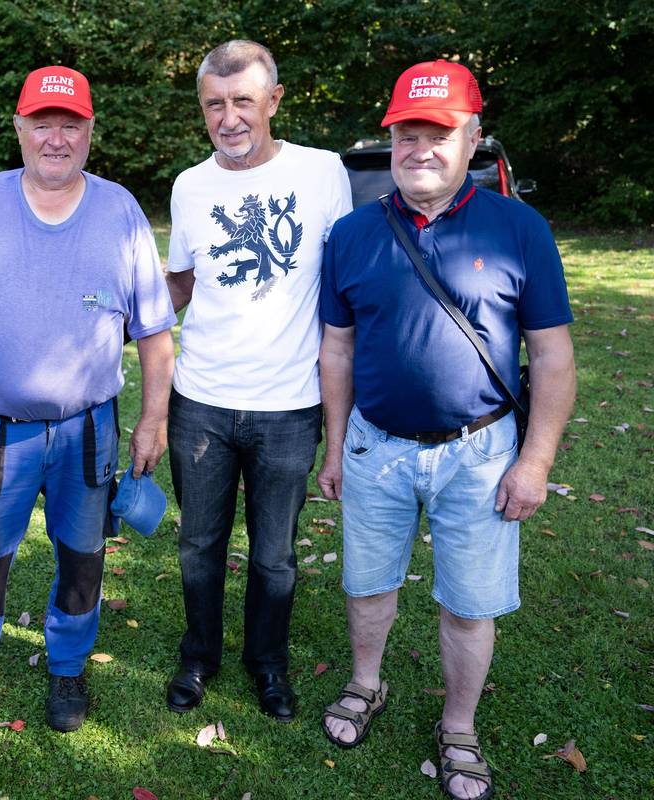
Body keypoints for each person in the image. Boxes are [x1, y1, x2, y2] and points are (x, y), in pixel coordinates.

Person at [317, 60, 575, 800]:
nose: (418, 148)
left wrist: (534, 462)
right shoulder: (353, 233)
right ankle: (366, 684)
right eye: (406, 132)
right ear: (390, 138)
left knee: (468, 603)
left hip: (482, 454)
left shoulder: (519, 227)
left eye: (438, 133)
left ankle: (458, 726)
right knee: (369, 588)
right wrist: (335, 448)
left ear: (473, 140)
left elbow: (553, 356)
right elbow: (337, 348)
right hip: (376, 447)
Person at [0, 65, 176, 733]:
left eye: (70, 124)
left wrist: (153, 420)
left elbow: (154, 331)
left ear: (90, 131)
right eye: (43, 123)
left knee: (82, 555)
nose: (56, 138)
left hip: (89, 427)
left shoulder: (121, 211)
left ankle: (67, 668)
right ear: (19, 127)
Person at [162, 40, 352, 721]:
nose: (229, 117)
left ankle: (267, 666)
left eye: (243, 101)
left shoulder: (324, 173)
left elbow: (347, 279)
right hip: (202, 401)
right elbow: (180, 282)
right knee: (198, 545)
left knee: (274, 557)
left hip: (289, 406)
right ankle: (199, 656)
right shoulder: (190, 185)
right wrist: (116, 313)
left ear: (273, 101)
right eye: (215, 104)